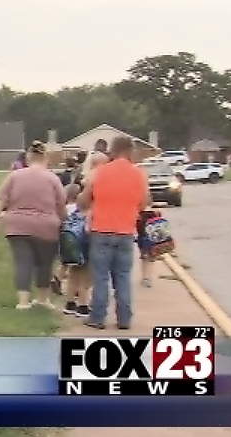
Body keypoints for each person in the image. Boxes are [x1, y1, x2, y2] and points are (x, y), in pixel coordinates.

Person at [77, 136, 150, 330]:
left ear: (113, 150)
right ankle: (124, 319)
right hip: (126, 232)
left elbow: (83, 201)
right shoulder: (139, 174)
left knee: (101, 277)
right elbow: (144, 203)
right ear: (129, 150)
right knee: (123, 277)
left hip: (101, 231)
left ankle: (98, 317)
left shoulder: (100, 172)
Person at [0, 141, 67, 310]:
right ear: (45, 158)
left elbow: (1, 199)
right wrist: (65, 222)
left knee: (23, 262)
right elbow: (61, 204)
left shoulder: (14, 176)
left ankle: (23, 302)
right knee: (44, 263)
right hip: (47, 226)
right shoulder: (52, 178)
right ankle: (43, 299)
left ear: (28, 157)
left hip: (17, 225)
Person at [60, 183, 92, 317]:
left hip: (72, 252)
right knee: (85, 280)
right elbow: (89, 232)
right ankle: (83, 306)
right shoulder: (90, 215)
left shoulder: (73, 215)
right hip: (85, 251)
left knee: (73, 278)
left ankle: (70, 303)